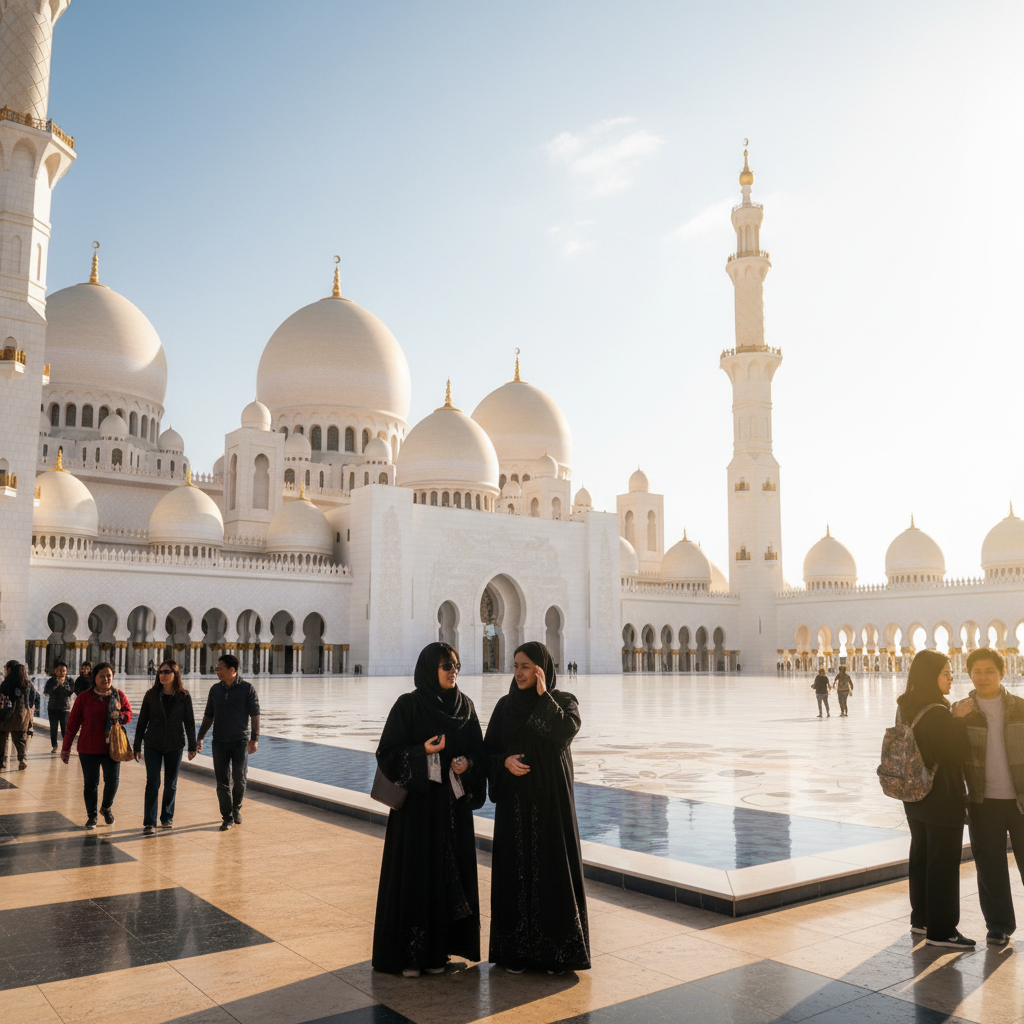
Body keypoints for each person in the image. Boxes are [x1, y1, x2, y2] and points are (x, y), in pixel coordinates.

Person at [372, 642, 485, 977]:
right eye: (446, 666)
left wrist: (468, 763)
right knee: (418, 877)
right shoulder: (409, 705)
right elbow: (387, 754)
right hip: (418, 813)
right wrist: (421, 752)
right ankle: (410, 955)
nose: (453, 672)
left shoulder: (465, 707)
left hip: (452, 811)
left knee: (448, 878)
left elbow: (479, 751)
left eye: (456, 666)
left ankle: (439, 954)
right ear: (428, 669)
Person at [485, 641, 590, 974]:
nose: (518, 673)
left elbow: (564, 732)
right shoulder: (505, 707)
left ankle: (557, 953)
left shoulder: (563, 702)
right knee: (514, 873)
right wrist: (504, 762)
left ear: (542, 669)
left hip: (550, 806)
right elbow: (487, 751)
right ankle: (514, 952)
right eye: (515, 666)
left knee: (551, 870)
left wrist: (544, 697)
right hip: (515, 806)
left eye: (526, 666)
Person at [898, 649, 974, 948]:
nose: (951, 676)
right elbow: (956, 754)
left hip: (914, 795)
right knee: (943, 860)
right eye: (945, 672)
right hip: (941, 797)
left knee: (921, 854)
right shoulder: (940, 712)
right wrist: (959, 720)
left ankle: (921, 919)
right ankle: (942, 931)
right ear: (931, 676)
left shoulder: (905, 705)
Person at [951, 648, 1024, 948]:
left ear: (1002, 673)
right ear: (969, 674)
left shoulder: (1020, 707)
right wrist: (955, 720)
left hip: (1020, 800)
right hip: (983, 801)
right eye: (977, 672)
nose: (983, 677)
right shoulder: (962, 711)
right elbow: (951, 753)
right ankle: (998, 925)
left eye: (989, 671)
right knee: (990, 865)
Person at [61, 662, 132, 828]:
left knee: (113, 781)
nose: (106, 679)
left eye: (109, 675)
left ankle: (106, 807)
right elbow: (72, 724)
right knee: (91, 784)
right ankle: (92, 816)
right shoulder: (84, 697)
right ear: (95, 678)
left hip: (111, 747)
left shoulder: (118, 695)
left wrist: (121, 717)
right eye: (102, 675)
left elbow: (128, 712)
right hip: (89, 748)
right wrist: (66, 748)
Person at [195, 654, 260, 831]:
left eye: (220, 667)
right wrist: (200, 737)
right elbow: (209, 716)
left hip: (239, 742)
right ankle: (227, 816)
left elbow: (255, 715)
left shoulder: (247, 689)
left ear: (232, 670)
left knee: (239, 779)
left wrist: (254, 739)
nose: (217, 670)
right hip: (219, 742)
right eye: (216, 667)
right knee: (222, 782)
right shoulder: (215, 690)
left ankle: (236, 808)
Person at [133, 660, 198, 834]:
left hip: (174, 744)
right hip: (153, 743)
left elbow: (190, 723)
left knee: (171, 784)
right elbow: (142, 722)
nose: (162, 675)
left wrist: (192, 746)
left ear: (175, 674)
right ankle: (150, 822)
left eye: (166, 672)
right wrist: (137, 745)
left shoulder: (184, 697)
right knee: (153, 782)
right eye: (160, 672)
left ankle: (167, 817)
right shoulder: (151, 695)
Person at [0, 661, 37, 771]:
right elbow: (34, 696)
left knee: (2, 739)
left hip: (6, 715)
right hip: (21, 716)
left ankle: (2, 762)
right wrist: (29, 709)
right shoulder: (27, 683)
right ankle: (22, 760)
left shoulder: (6, 683)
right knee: (21, 739)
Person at [44, 662, 74, 752]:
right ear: (55, 671)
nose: (62, 672)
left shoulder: (69, 681)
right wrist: (56, 685)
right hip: (53, 707)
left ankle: (65, 747)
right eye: (60, 670)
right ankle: (54, 746)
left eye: (64, 670)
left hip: (65, 708)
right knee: (53, 728)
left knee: (65, 728)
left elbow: (71, 692)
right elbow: (46, 693)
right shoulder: (51, 681)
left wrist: (64, 686)